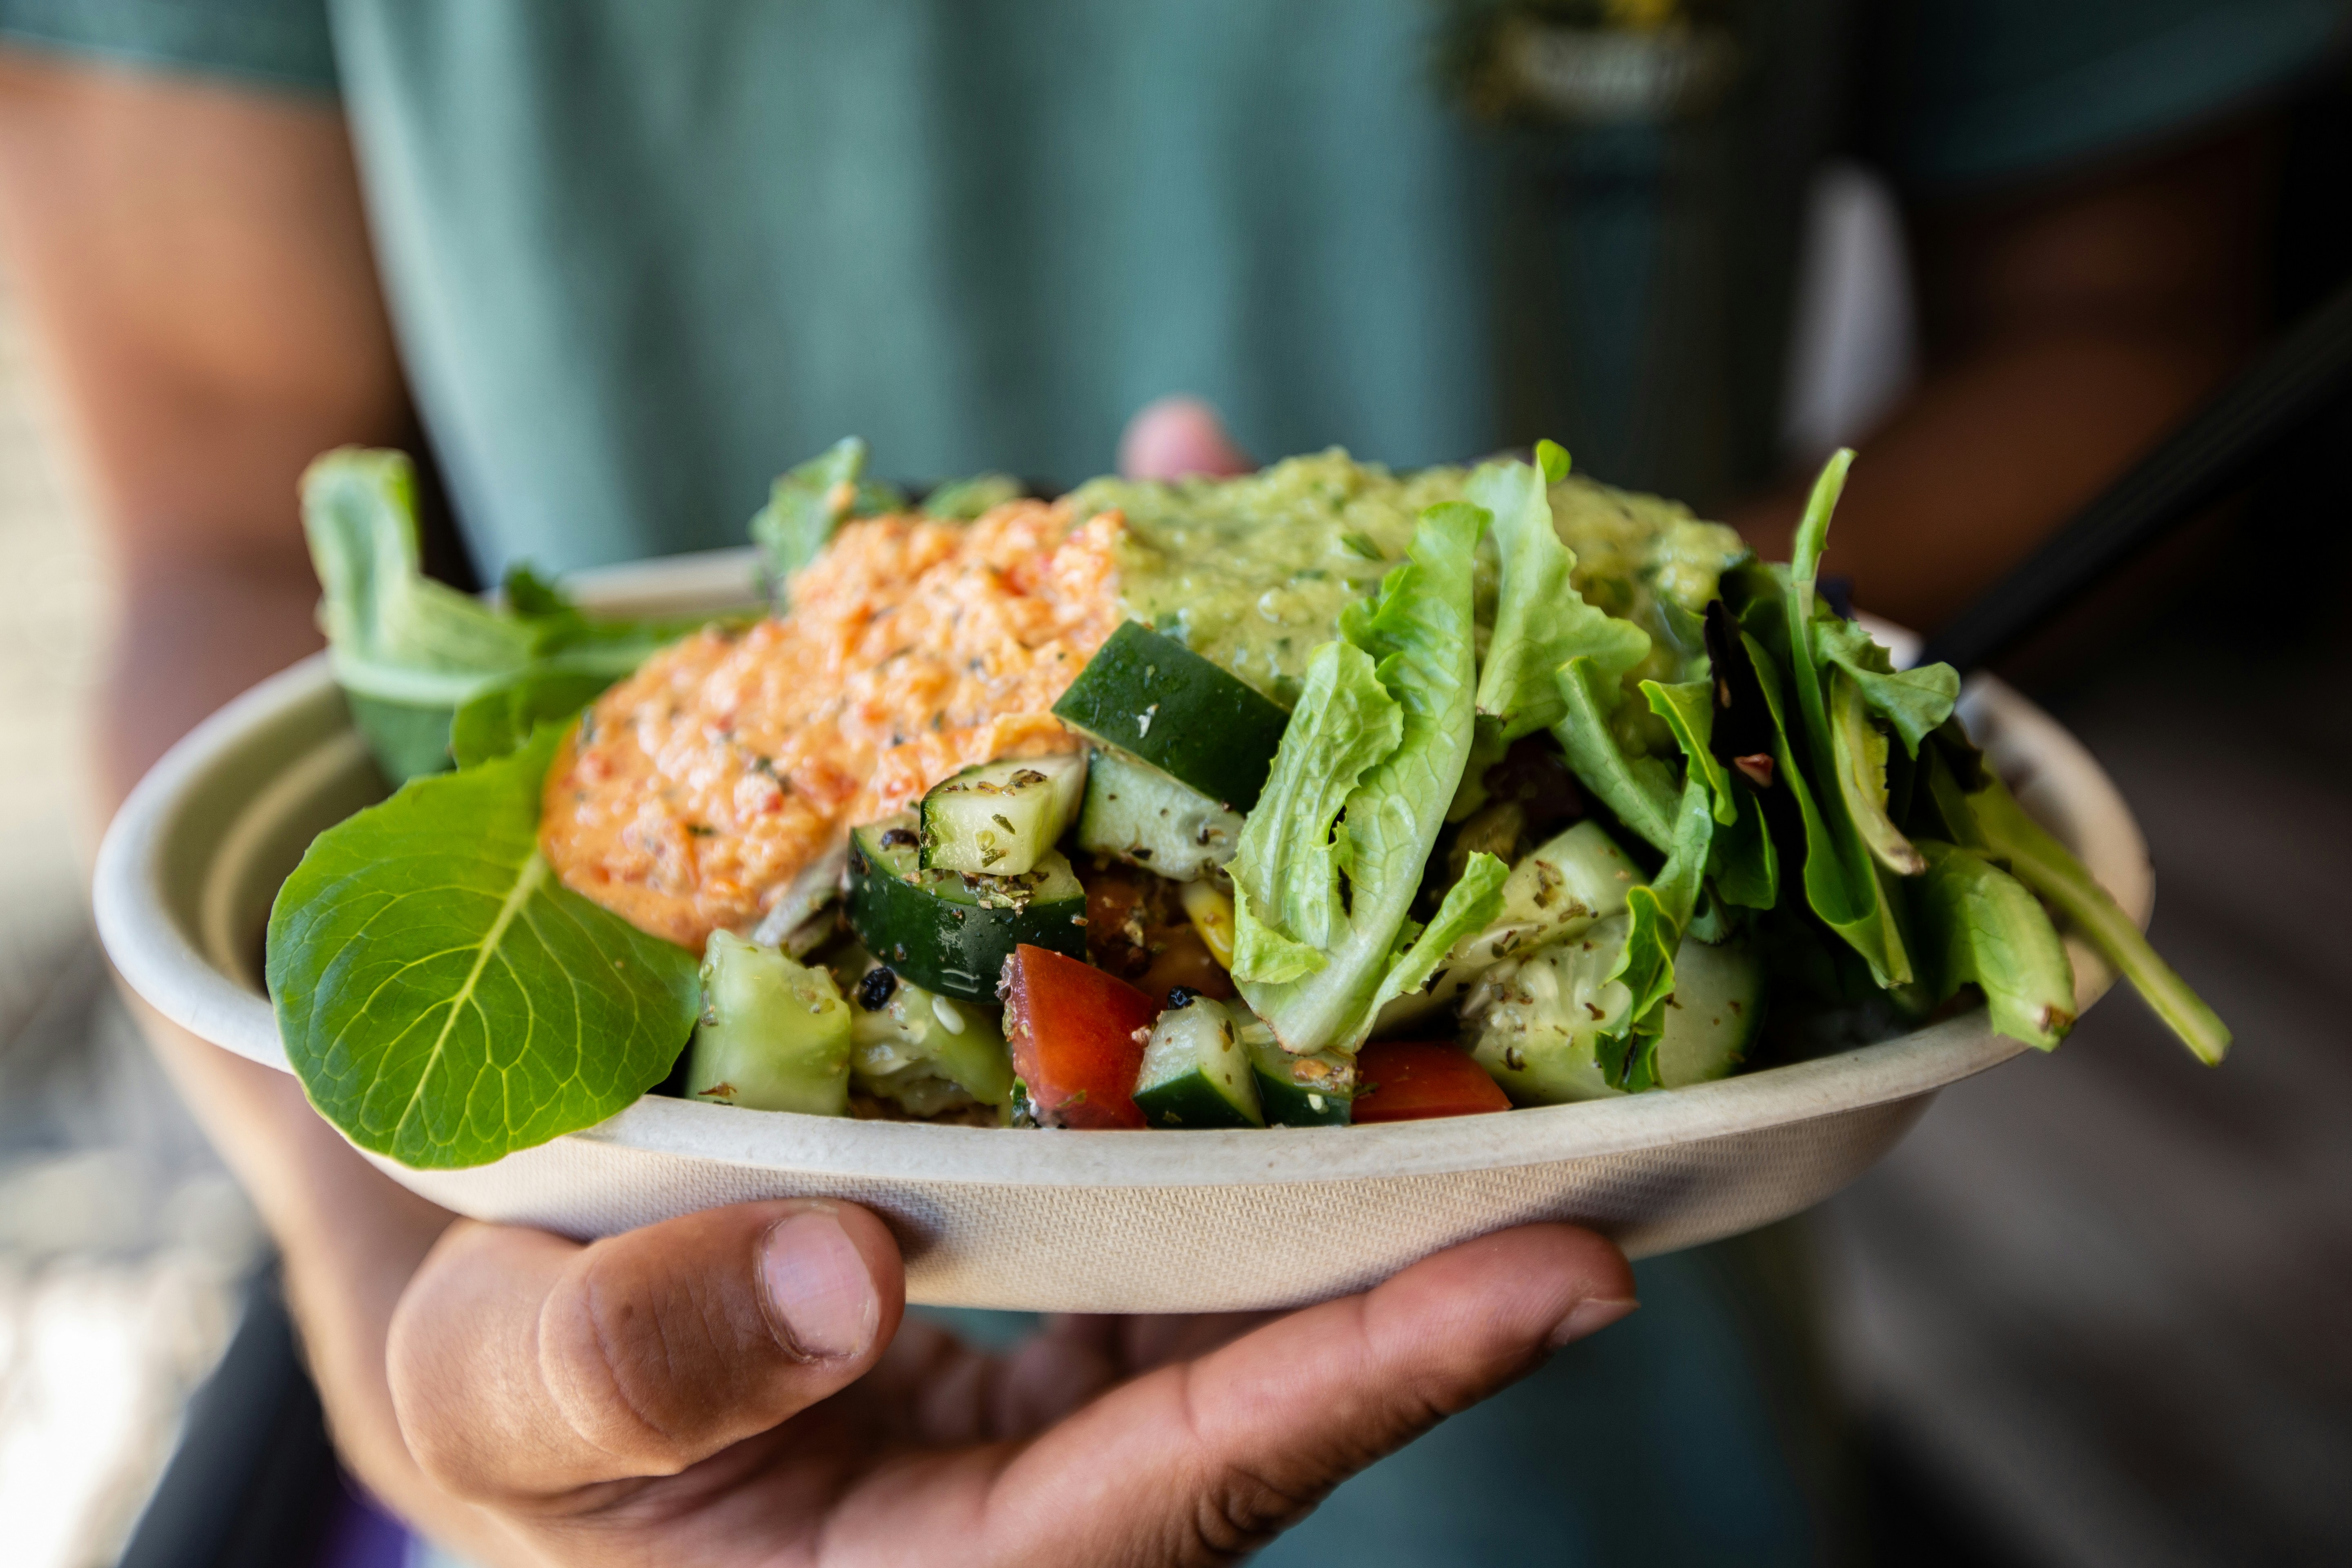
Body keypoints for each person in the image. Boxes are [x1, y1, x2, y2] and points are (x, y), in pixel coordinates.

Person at [0, 2, 2334, 1562]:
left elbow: (2130, 318)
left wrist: (1656, 697)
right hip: (590, 1339)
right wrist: (409, 1311)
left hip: (1622, 1413)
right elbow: (219, 530)